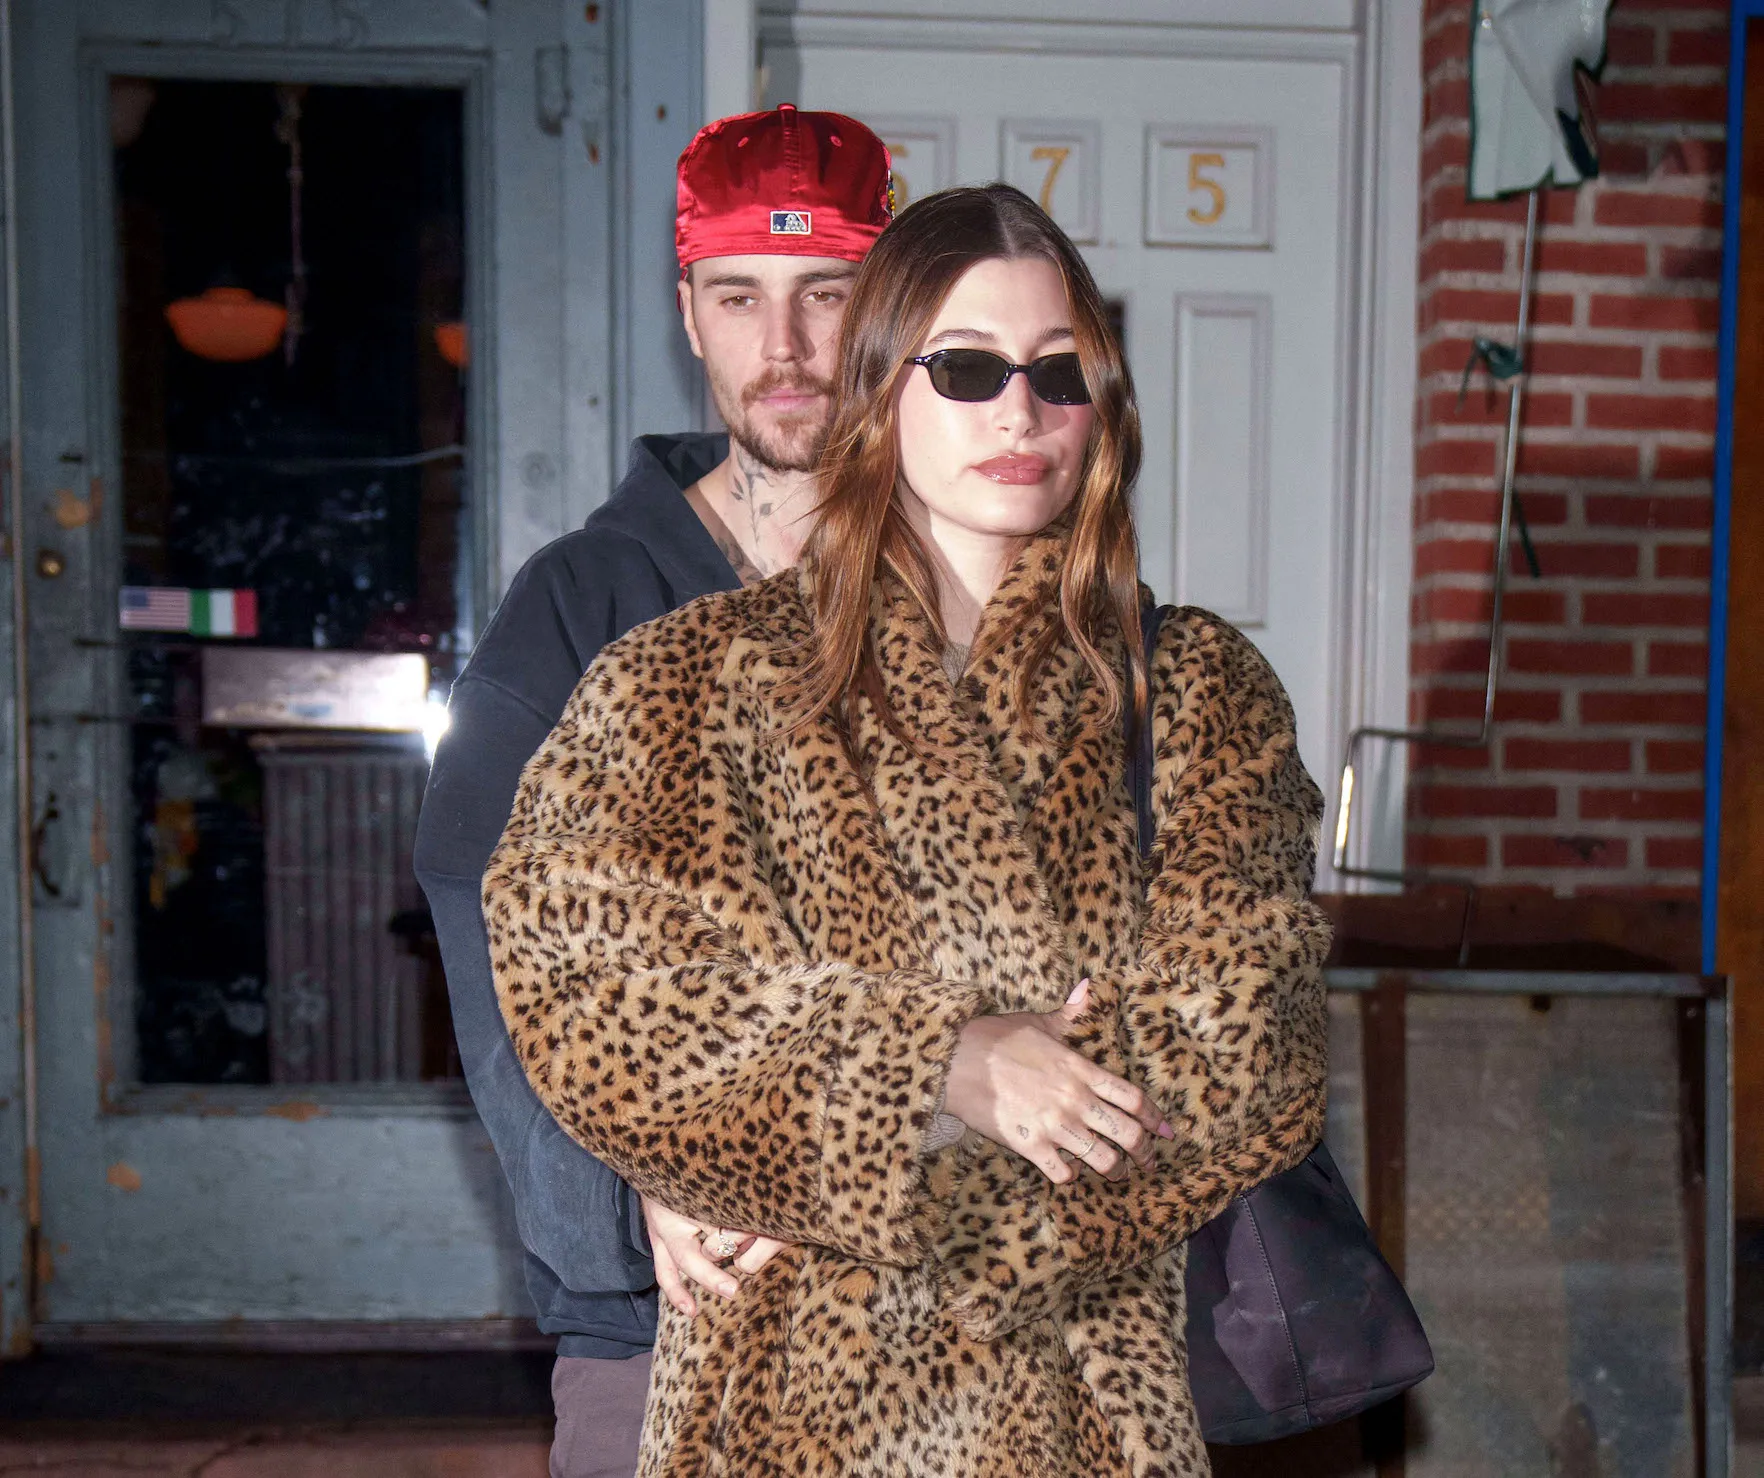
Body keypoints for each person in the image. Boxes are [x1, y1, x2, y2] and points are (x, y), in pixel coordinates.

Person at [483, 184, 1332, 1476]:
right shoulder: (696, 686)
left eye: (1061, 374)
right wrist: (940, 1067)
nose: (1019, 410)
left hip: (1088, 1425)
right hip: (782, 1429)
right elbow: (591, 987)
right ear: (880, 387)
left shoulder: (1199, 691)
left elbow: (1248, 1045)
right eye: (970, 367)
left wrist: (814, 1160)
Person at [413, 104, 892, 1478]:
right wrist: (627, 1200)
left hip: (930, 1311)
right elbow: (485, 911)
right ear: (690, 315)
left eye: (827, 295)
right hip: (667, 1314)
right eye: (740, 297)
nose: (785, 349)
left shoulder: (959, 583)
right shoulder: (578, 603)